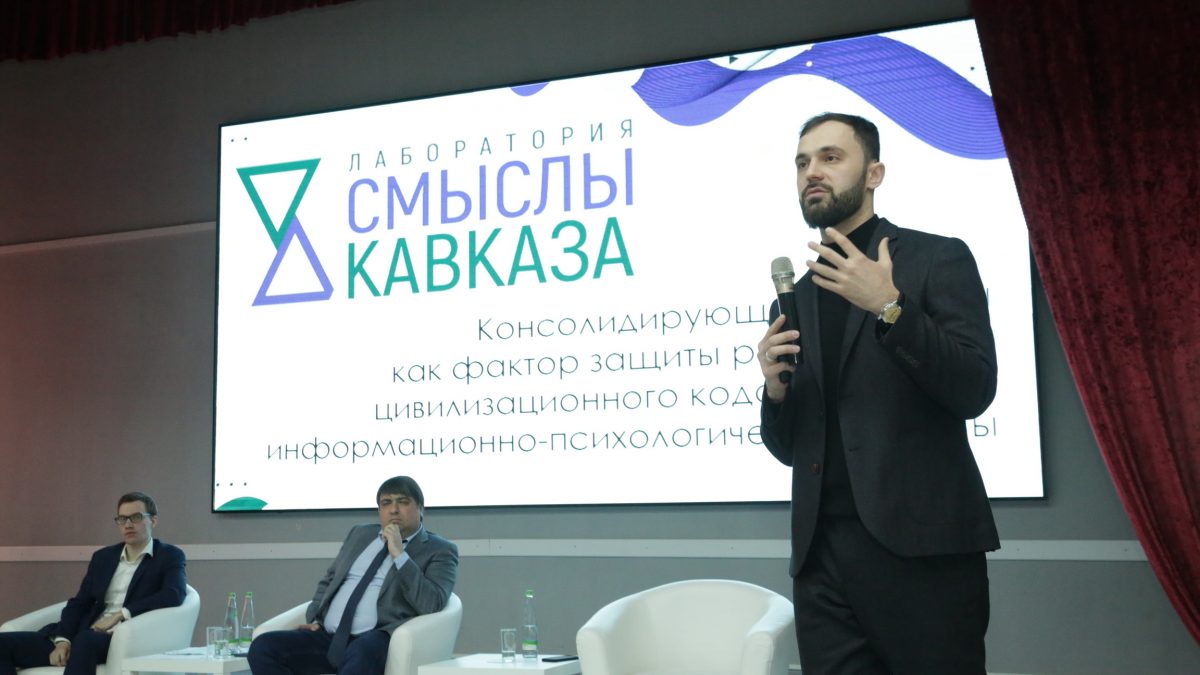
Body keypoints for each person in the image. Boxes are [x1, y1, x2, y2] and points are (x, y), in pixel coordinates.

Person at [756, 112, 999, 674]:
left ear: (874, 174)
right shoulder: (795, 298)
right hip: (821, 560)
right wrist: (774, 392)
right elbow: (791, 449)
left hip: (923, 553)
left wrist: (890, 307)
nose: (812, 172)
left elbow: (975, 389)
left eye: (830, 157)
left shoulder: (937, 259)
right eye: (802, 162)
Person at [248, 476, 457, 675]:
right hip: (329, 636)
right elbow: (329, 580)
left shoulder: (439, 550)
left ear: (421, 508)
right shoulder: (361, 534)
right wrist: (315, 618)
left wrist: (399, 555)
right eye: (386, 503)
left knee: (361, 653)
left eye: (403, 502)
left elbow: (432, 603)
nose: (394, 509)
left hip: (377, 637)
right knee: (263, 647)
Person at [0, 492, 188, 675]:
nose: (128, 524)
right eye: (122, 519)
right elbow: (81, 602)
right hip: (83, 633)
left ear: (153, 520)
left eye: (136, 517)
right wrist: (63, 641)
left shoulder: (169, 556)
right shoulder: (103, 557)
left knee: (86, 640)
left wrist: (121, 614)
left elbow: (174, 594)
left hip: (121, 639)